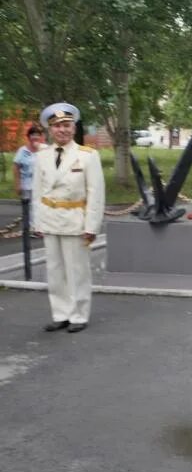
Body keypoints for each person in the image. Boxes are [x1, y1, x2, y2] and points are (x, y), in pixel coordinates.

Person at [31, 103, 105, 334]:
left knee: (77, 271)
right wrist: (37, 222)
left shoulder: (87, 156)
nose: (62, 130)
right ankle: (60, 314)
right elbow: (37, 192)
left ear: (74, 128)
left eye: (66, 125)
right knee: (54, 271)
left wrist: (92, 226)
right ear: (50, 130)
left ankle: (78, 315)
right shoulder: (42, 156)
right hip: (50, 219)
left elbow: (96, 193)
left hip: (75, 220)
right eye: (57, 126)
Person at [13, 124, 45, 202]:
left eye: (38, 135)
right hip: (26, 186)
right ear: (28, 137)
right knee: (26, 210)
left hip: (41, 187)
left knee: (40, 210)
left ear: (41, 137)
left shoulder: (45, 149)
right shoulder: (22, 151)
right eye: (33, 134)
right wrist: (18, 184)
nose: (35, 137)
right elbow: (16, 167)